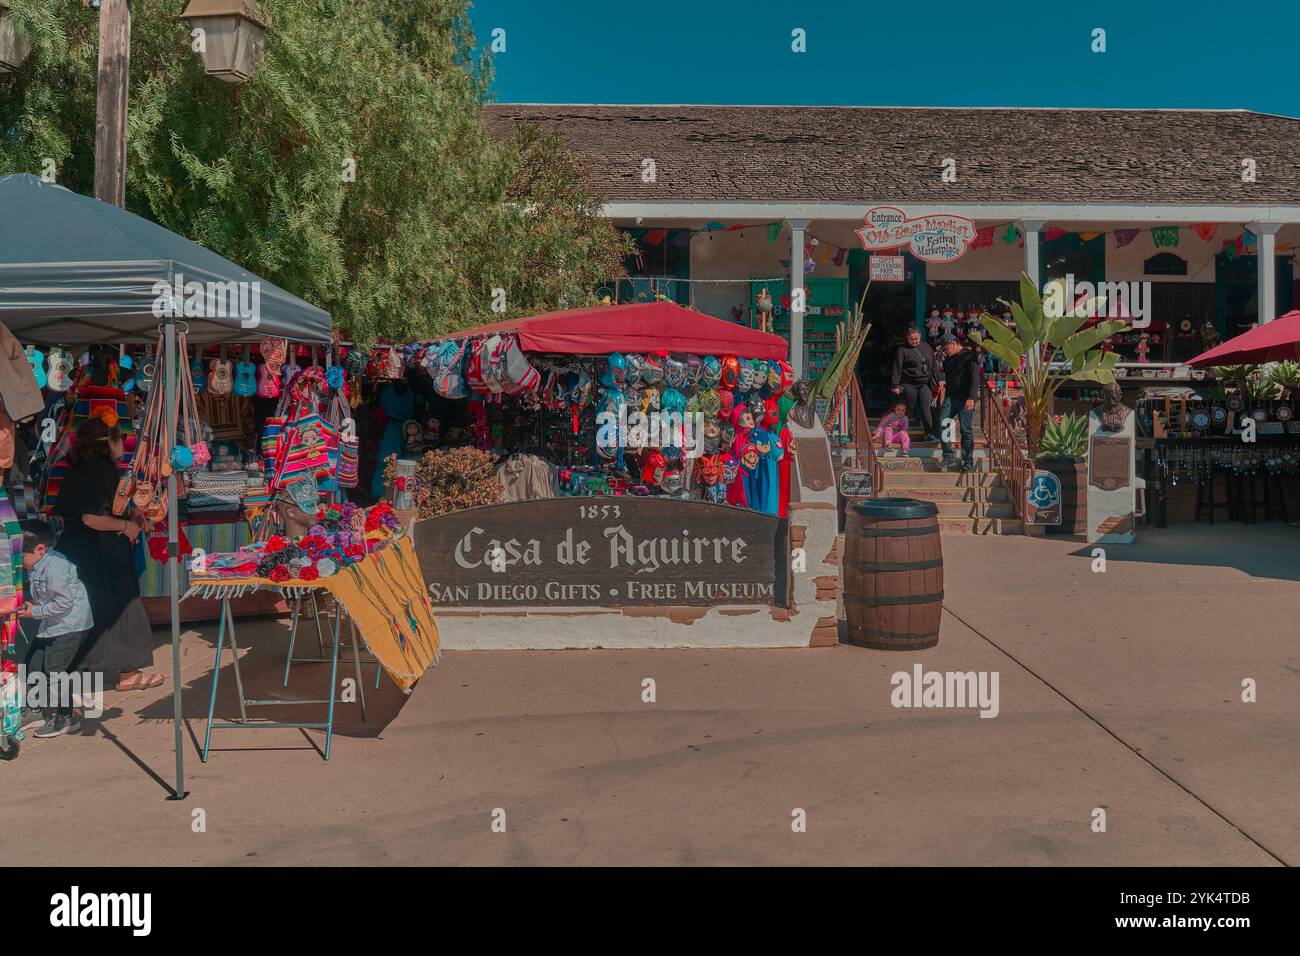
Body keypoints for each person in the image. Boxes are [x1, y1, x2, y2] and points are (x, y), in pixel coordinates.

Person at [53, 416, 162, 692]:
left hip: (86, 551)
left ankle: (119, 672)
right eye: (119, 440)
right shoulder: (97, 469)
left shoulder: (80, 468)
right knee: (113, 611)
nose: (123, 446)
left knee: (101, 611)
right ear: (108, 442)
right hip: (99, 554)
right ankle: (123, 674)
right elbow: (91, 517)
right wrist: (126, 526)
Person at [18, 520, 93, 738]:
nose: (20, 561)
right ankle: (34, 709)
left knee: (54, 670)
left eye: (22, 556)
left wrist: (36, 612)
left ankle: (66, 716)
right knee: (33, 663)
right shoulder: (37, 563)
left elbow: (64, 603)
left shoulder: (56, 568)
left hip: (70, 625)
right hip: (52, 624)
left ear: (40, 549)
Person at [936, 334, 983, 472]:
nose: (945, 352)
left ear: (953, 343)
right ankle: (948, 456)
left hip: (965, 398)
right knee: (943, 422)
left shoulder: (970, 356)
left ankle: (967, 462)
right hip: (950, 397)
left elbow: (975, 378)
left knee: (966, 430)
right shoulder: (948, 360)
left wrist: (972, 397)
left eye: (946, 348)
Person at [890, 327, 939, 442]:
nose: (914, 341)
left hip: (924, 383)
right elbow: (897, 368)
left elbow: (933, 364)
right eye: (911, 339)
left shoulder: (926, 347)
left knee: (926, 408)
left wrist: (939, 379)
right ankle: (900, 432)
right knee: (908, 406)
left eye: (916, 339)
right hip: (908, 382)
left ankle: (929, 433)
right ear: (907, 338)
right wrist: (895, 385)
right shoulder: (902, 350)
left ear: (920, 336)